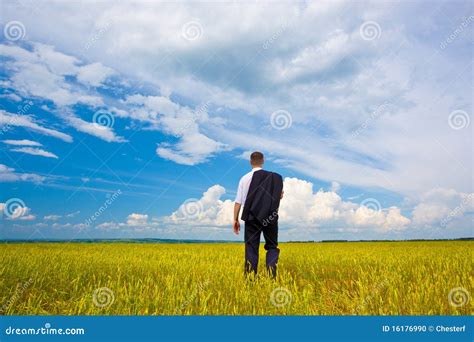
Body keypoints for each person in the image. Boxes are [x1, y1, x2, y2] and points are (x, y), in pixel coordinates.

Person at [233, 151, 283, 278]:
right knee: (272, 246)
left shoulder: (244, 178)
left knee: (251, 247)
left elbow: (238, 202)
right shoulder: (274, 178)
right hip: (270, 216)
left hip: (251, 217)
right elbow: (279, 196)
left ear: (251, 162)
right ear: (263, 161)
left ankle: (250, 280)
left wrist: (235, 219)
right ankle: (271, 277)